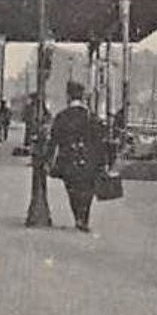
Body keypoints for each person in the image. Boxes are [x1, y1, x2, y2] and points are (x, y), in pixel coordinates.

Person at [46, 80, 107, 232]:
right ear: (82, 97)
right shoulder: (91, 117)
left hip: (68, 159)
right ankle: (84, 217)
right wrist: (103, 162)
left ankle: (78, 217)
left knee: (72, 189)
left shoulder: (61, 116)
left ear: (68, 97)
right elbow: (99, 141)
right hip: (89, 159)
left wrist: (49, 159)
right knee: (87, 189)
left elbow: (54, 140)